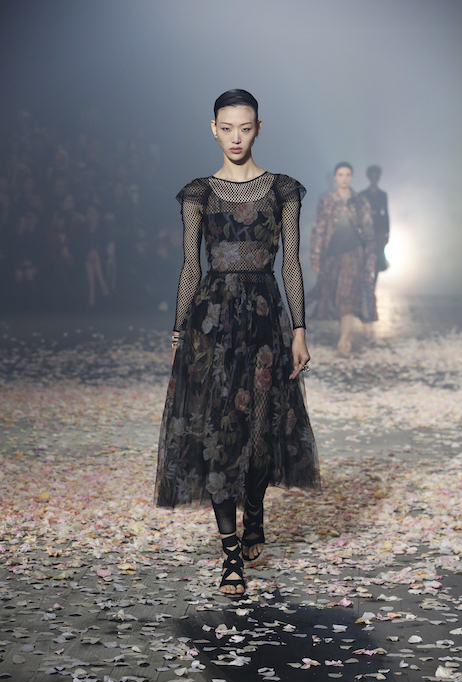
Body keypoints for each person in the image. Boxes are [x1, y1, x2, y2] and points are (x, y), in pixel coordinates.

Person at [155, 89, 319, 596]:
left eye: (244, 128)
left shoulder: (283, 190)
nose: (235, 137)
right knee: (218, 434)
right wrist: (179, 333)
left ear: (258, 128)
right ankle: (230, 555)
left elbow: (291, 263)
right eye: (226, 128)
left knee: (261, 433)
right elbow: (191, 266)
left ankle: (255, 510)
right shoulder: (198, 193)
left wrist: (299, 330)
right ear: (213, 129)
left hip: (266, 320)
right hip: (212, 322)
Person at [309, 162, 377, 356]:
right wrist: (315, 256)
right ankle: (345, 334)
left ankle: (344, 339)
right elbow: (318, 229)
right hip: (332, 254)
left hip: (354, 252)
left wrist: (371, 256)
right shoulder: (327, 201)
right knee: (336, 294)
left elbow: (368, 229)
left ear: (352, 177)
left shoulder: (360, 201)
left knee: (347, 293)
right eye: (340, 174)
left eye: (347, 174)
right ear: (335, 177)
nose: (344, 178)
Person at [360, 165, 390, 282]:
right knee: (366, 256)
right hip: (366, 227)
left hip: (379, 228)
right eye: (372, 177)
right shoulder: (363, 194)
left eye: (376, 177)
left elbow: (386, 213)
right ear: (369, 178)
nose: (374, 179)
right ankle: (365, 283)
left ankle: (373, 285)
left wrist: (387, 232)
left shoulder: (383, 194)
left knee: (378, 257)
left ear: (378, 178)